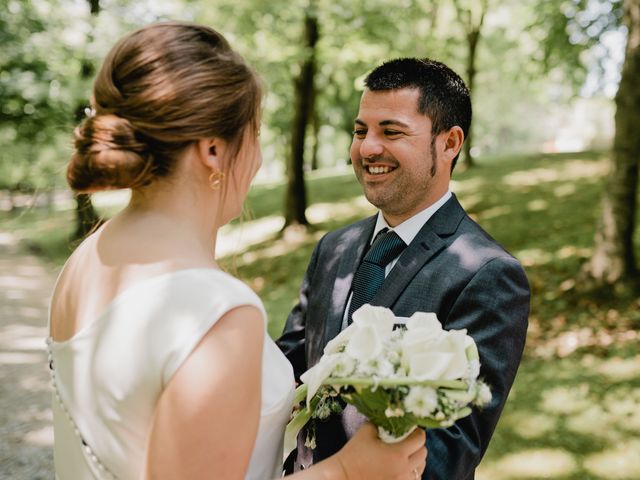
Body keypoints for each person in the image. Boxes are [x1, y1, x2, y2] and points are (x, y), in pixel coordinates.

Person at [47, 23, 428, 480]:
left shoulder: (88, 260)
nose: (258, 158)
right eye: (255, 134)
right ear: (212, 149)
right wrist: (348, 471)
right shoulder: (215, 313)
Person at [277, 57, 530, 479]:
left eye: (390, 131)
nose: (367, 148)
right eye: (360, 131)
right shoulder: (333, 248)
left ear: (449, 143)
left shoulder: (487, 275)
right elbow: (288, 371)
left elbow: (450, 454)